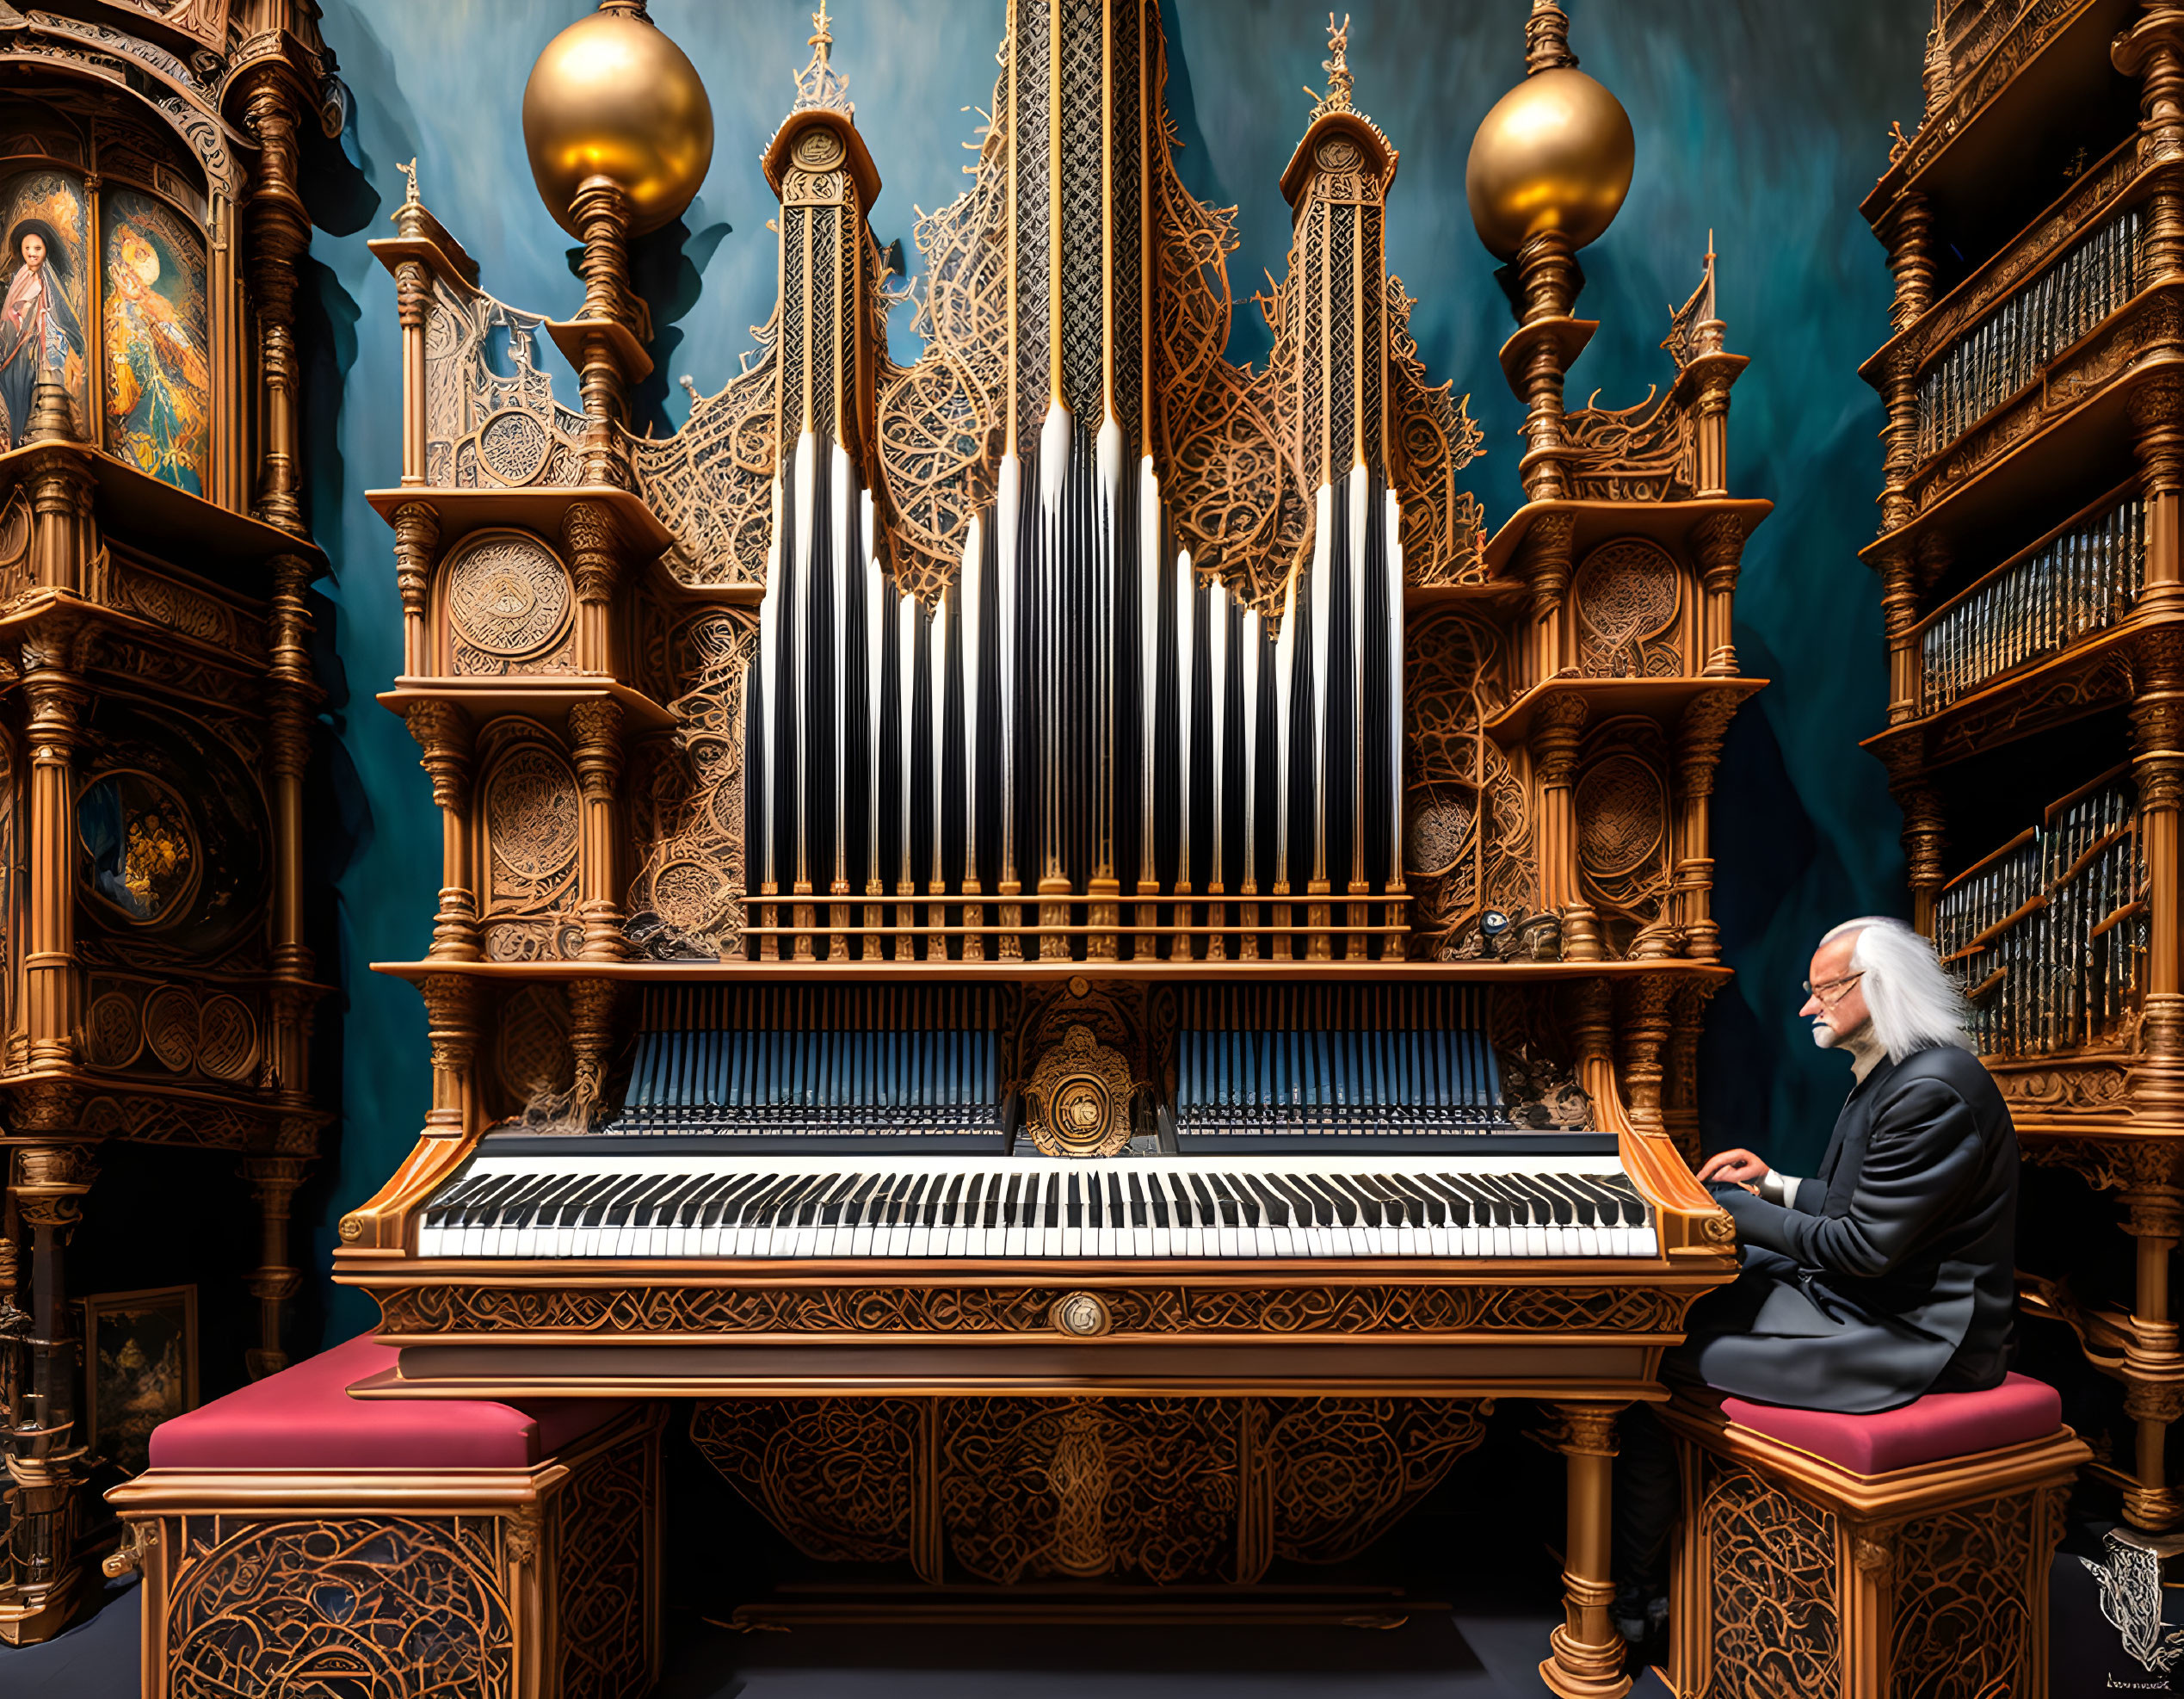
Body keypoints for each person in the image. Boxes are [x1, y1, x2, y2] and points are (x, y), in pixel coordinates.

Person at [1613, 914, 2018, 1643]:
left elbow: (1862, 1246)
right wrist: (1772, 1184)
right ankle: (1665, 1582)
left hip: (1919, 1340)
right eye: (1810, 991)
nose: (1808, 1007)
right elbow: (1855, 1206)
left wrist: (1728, 1212)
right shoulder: (1900, 1072)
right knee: (1699, 1300)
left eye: (1826, 990)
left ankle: (1644, 1602)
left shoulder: (1931, 1092)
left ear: (1880, 986)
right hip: (1869, 1303)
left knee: (1649, 1367)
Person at [0, 218, 84, 448]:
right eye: (27, 248)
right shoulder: (20, 277)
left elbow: (60, 310)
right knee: (18, 377)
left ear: (45, 250)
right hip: (24, 340)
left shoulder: (50, 276)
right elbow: (10, 311)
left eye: (37, 248)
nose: (32, 253)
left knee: (53, 374)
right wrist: (21, 315)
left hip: (47, 336)